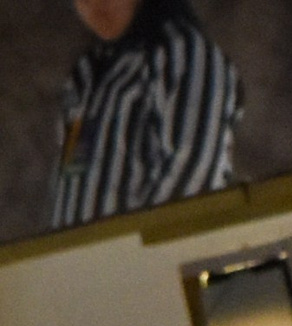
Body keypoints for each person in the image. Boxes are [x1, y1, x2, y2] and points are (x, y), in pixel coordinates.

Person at [49, 0, 242, 230]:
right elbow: (71, 181)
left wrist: (135, 255)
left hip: (150, 258)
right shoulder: (86, 74)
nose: (94, 4)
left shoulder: (186, 55)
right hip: (79, 260)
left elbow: (195, 176)